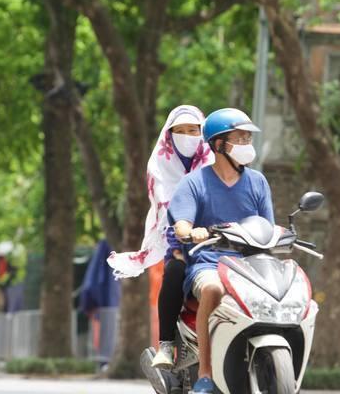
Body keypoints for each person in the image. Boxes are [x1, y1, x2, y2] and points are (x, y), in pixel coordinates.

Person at [167, 108, 274, 393]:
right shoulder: (194, 183)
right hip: (209, 263)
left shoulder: (258, 182)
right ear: (218, 144)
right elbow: (181, 223)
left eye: (248, 138)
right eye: (240, 138)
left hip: (253, 265)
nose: (247, 143)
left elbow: (268, 226)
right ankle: (205, 374)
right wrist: (190, 231)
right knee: (213, 289)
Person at [106, 104, 214, 367]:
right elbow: (169, 213)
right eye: (180, 131)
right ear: (169, 135)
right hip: (181, 242)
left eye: (193, 130)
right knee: (175, 270)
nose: (187, 136)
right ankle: (166, 344)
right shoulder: (160, 167)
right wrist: (186, 234)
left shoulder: (218, 166)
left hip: (222, 245)